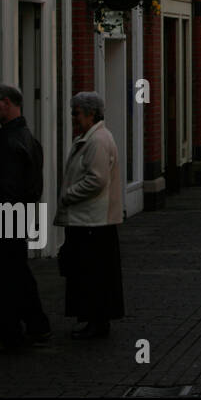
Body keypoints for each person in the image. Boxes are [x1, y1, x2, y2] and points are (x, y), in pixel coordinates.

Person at [0, 85, 51, 353]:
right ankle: (37, 325)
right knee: (19, 274)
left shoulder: (6, 142)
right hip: (17, 218)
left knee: (5, 280)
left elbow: (3, 187)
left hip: (4, 221)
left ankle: (11, 335)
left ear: (6, 103)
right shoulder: (28, 138)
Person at [55, 92, 124, 340]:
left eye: (76, 113)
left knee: (92, 273)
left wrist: (68, 195)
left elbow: (97, 179)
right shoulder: (92, 138)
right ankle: (93, 319)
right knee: (90, 272)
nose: (74, 118)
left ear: (90, 113)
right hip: (90, 219)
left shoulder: (96, 141)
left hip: (92, 220)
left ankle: (96, 320)